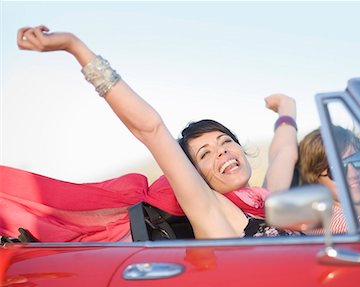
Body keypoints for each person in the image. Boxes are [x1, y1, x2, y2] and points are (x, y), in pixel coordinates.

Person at [1, 25, 301, 241]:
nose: (222, 151)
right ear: (193, 174)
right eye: (205, 153)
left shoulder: (270, 201)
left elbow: (284, 153)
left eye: (226, 142)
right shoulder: (211, 211)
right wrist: (75, 47)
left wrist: (287, 106)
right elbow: (151, 129)